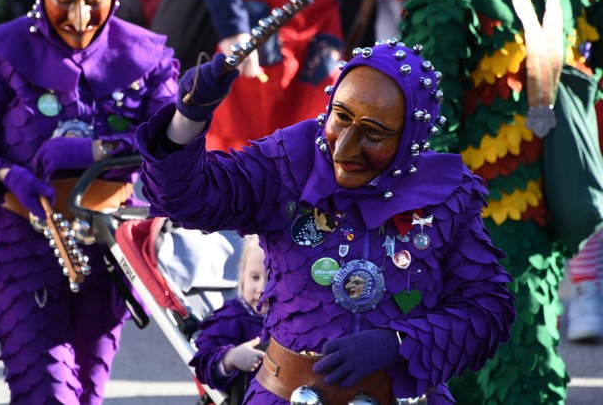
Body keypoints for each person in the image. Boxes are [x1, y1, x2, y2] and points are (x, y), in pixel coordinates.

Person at [137, 40, 516, 404]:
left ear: (410, 138)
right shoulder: (287, 162)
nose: (345, 148)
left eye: (373, 133)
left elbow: (487, 308)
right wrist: (188, 119)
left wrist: (399, 343)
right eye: (342, 117)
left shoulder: (447, 194)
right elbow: (189, 200)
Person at [0, 0, 179, 402]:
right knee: (46, 392)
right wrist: (9, 176)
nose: (79, 19)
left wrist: (94, 150)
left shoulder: (148, 56)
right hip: (20, 245)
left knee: (87, 394)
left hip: (110, 246)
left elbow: (172, 143)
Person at [399, 0, 603, 403]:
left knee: (496, 370)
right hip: (472, 224)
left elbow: (585, 67)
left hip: (541, 223)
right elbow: (427, 116)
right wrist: (442, 229)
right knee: (510, 371)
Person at [194, 0, 344, 151]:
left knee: (319, 124)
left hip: (318, 11)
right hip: (253, 11)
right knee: (243, 140)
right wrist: (232, 27)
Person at [189, 234, 267, 400]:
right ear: (243, 276)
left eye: (272, 278)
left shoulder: (298, 318)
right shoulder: (231, 317)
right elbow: (204, 363)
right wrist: (231, 358)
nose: (262, 288)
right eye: (255, 277)